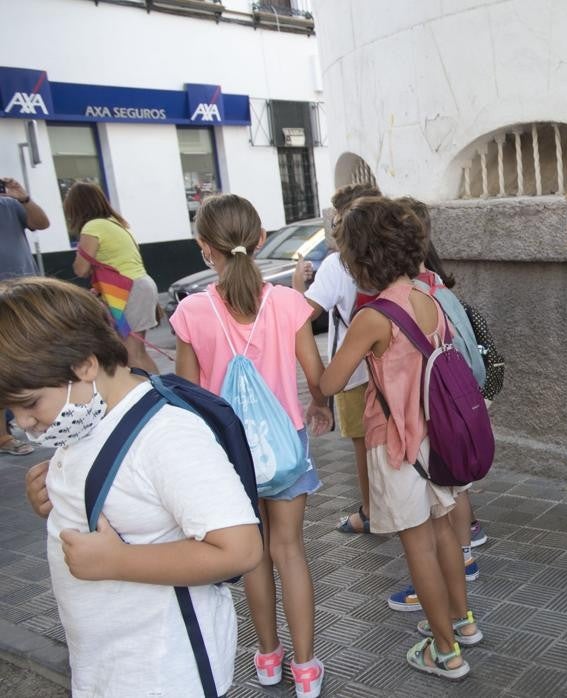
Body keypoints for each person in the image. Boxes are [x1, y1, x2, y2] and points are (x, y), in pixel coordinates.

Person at [4, 276, 261, 696]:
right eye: (10, 409)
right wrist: (57, 496)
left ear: (84, 365)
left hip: (164, 671)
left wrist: (116, 562)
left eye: (29, 403)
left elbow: (241, 549)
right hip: (107, 663)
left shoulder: (168, 436)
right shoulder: (87, 414)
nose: (24, 423)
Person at [170, 194, 332, 698]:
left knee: (254, 555)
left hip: (226, 457)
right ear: (261, 241)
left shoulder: (193, 311)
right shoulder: (287, 303)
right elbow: (315, 375)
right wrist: (320, 406)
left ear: (204, 248)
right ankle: (306, 669)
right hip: (286, 446)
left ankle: (266, 658)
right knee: (290, 551)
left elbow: (188, 395)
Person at [320, 196, 480, 681]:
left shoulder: (374, 317)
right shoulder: (429, 298)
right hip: (438, 437)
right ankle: (462, 621)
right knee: (445, 532)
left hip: (397, 446)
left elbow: (331, 383)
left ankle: (446, 651)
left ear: (362, 259)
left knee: (418, 547)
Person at [383, 196, 487, 614]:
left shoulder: (419, 293)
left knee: (442, 504)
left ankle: (456, 574)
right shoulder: (436, 285)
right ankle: (460, 576)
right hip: (451, 408)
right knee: (451, 494)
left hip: (434, 414)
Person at [293, 183, 380, 537]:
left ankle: (372, 511)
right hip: (395, 368)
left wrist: (298, 287)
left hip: (353, 371)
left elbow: (301, 315)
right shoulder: (392, 255)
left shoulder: (337, 264)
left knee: (364, 446)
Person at [65, 182, 161, 373]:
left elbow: (81, 269)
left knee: (132, 353)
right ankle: (158, 391)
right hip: (138, 286)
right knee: (136, 351)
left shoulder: (93, 227)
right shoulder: (114, 223)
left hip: (129, 290)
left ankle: (157, 394)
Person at [0, 176, 50, 457]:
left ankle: (30, 416)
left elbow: (42, 223)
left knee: (30, 360)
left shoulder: (10, 205)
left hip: (25, 294)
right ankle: (4, 437)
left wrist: (23, 198)